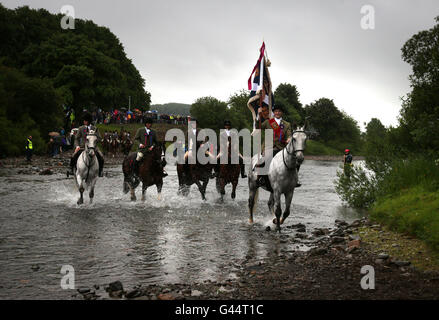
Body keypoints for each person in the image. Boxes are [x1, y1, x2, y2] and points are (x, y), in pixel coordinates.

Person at [254, 104, 301, 188]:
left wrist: (289, 138)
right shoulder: (268, 122)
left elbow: (289, 134)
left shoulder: (287, 124)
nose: (277, 113)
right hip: (269, 147)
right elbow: (258, 127)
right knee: (265, 159)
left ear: (281, 113)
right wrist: (259, 115)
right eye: (276, 111)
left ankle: (294, 179)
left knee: (296, 160)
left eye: (279, 111)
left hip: (281, 148)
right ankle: (260, 178)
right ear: (273, 112)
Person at [68, 112, 105, 177]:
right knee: (73, 156)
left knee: (101, 156)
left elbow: (99, 138)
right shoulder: (81, 128)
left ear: (88, 121)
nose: (84, 121)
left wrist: (95, 137)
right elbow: (76, 138)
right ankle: (71, 169)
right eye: (84, 120)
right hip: (82, 146)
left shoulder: (95, 128)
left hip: (93, 147)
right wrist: (77, 146)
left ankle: (100, 171)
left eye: (85, 120)